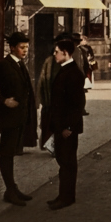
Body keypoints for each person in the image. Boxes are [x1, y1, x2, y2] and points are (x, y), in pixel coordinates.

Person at [0, 31, 38, 205]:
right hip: (9, 118)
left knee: (12, 153)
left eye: (27, 47)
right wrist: (3, 101)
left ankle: (13, 188)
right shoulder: (3, 65)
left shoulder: (21, 64)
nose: (25, 51)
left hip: (20, 117)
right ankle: (9, 191)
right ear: (12, 47)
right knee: (6, 153)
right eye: (22, 47)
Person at [46, 37, 85, 209]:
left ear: (66, 53)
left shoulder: (73, 73)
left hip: (67, 128)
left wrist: (68, 127)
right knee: (63, 162)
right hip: (61, 126)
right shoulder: (64, 69)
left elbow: (78, 104)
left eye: (57, 52)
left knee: (67, 163)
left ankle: (67, 197)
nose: (54, 54)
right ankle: (64, 195)